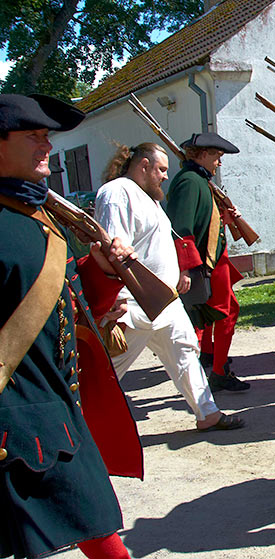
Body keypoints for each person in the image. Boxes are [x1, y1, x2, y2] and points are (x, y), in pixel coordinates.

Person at [0, 93, 142, 558]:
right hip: (15, 417)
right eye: (33, 136)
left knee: (100, 532)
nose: (46, 146)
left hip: (53, 407)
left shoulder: (35, 214)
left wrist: (99, 273)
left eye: (46, 136)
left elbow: (56, 301)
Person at [94, 142, 245, 432]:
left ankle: (207, 413)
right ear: (144, 166)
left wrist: (181, 271)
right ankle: (80, 421)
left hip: (164, 300)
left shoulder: (149, 198)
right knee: (109, 369)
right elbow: (115, 248)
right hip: (134, 301)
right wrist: (118, 299)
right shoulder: (117, 193)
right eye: (161, 169)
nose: (166, 176)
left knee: (186, 351)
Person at [165, 133, 249, 392]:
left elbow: (203, 220)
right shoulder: (190, 182)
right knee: (222, 313)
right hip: (205, 263)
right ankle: (218, 372)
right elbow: (181, 228)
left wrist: (223, 216)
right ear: (201, 154)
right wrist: (186, 267)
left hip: (211, 259)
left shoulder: (198, 180)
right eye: (216, 156)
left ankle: (211, 358)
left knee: (213, 313)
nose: (218, 163)